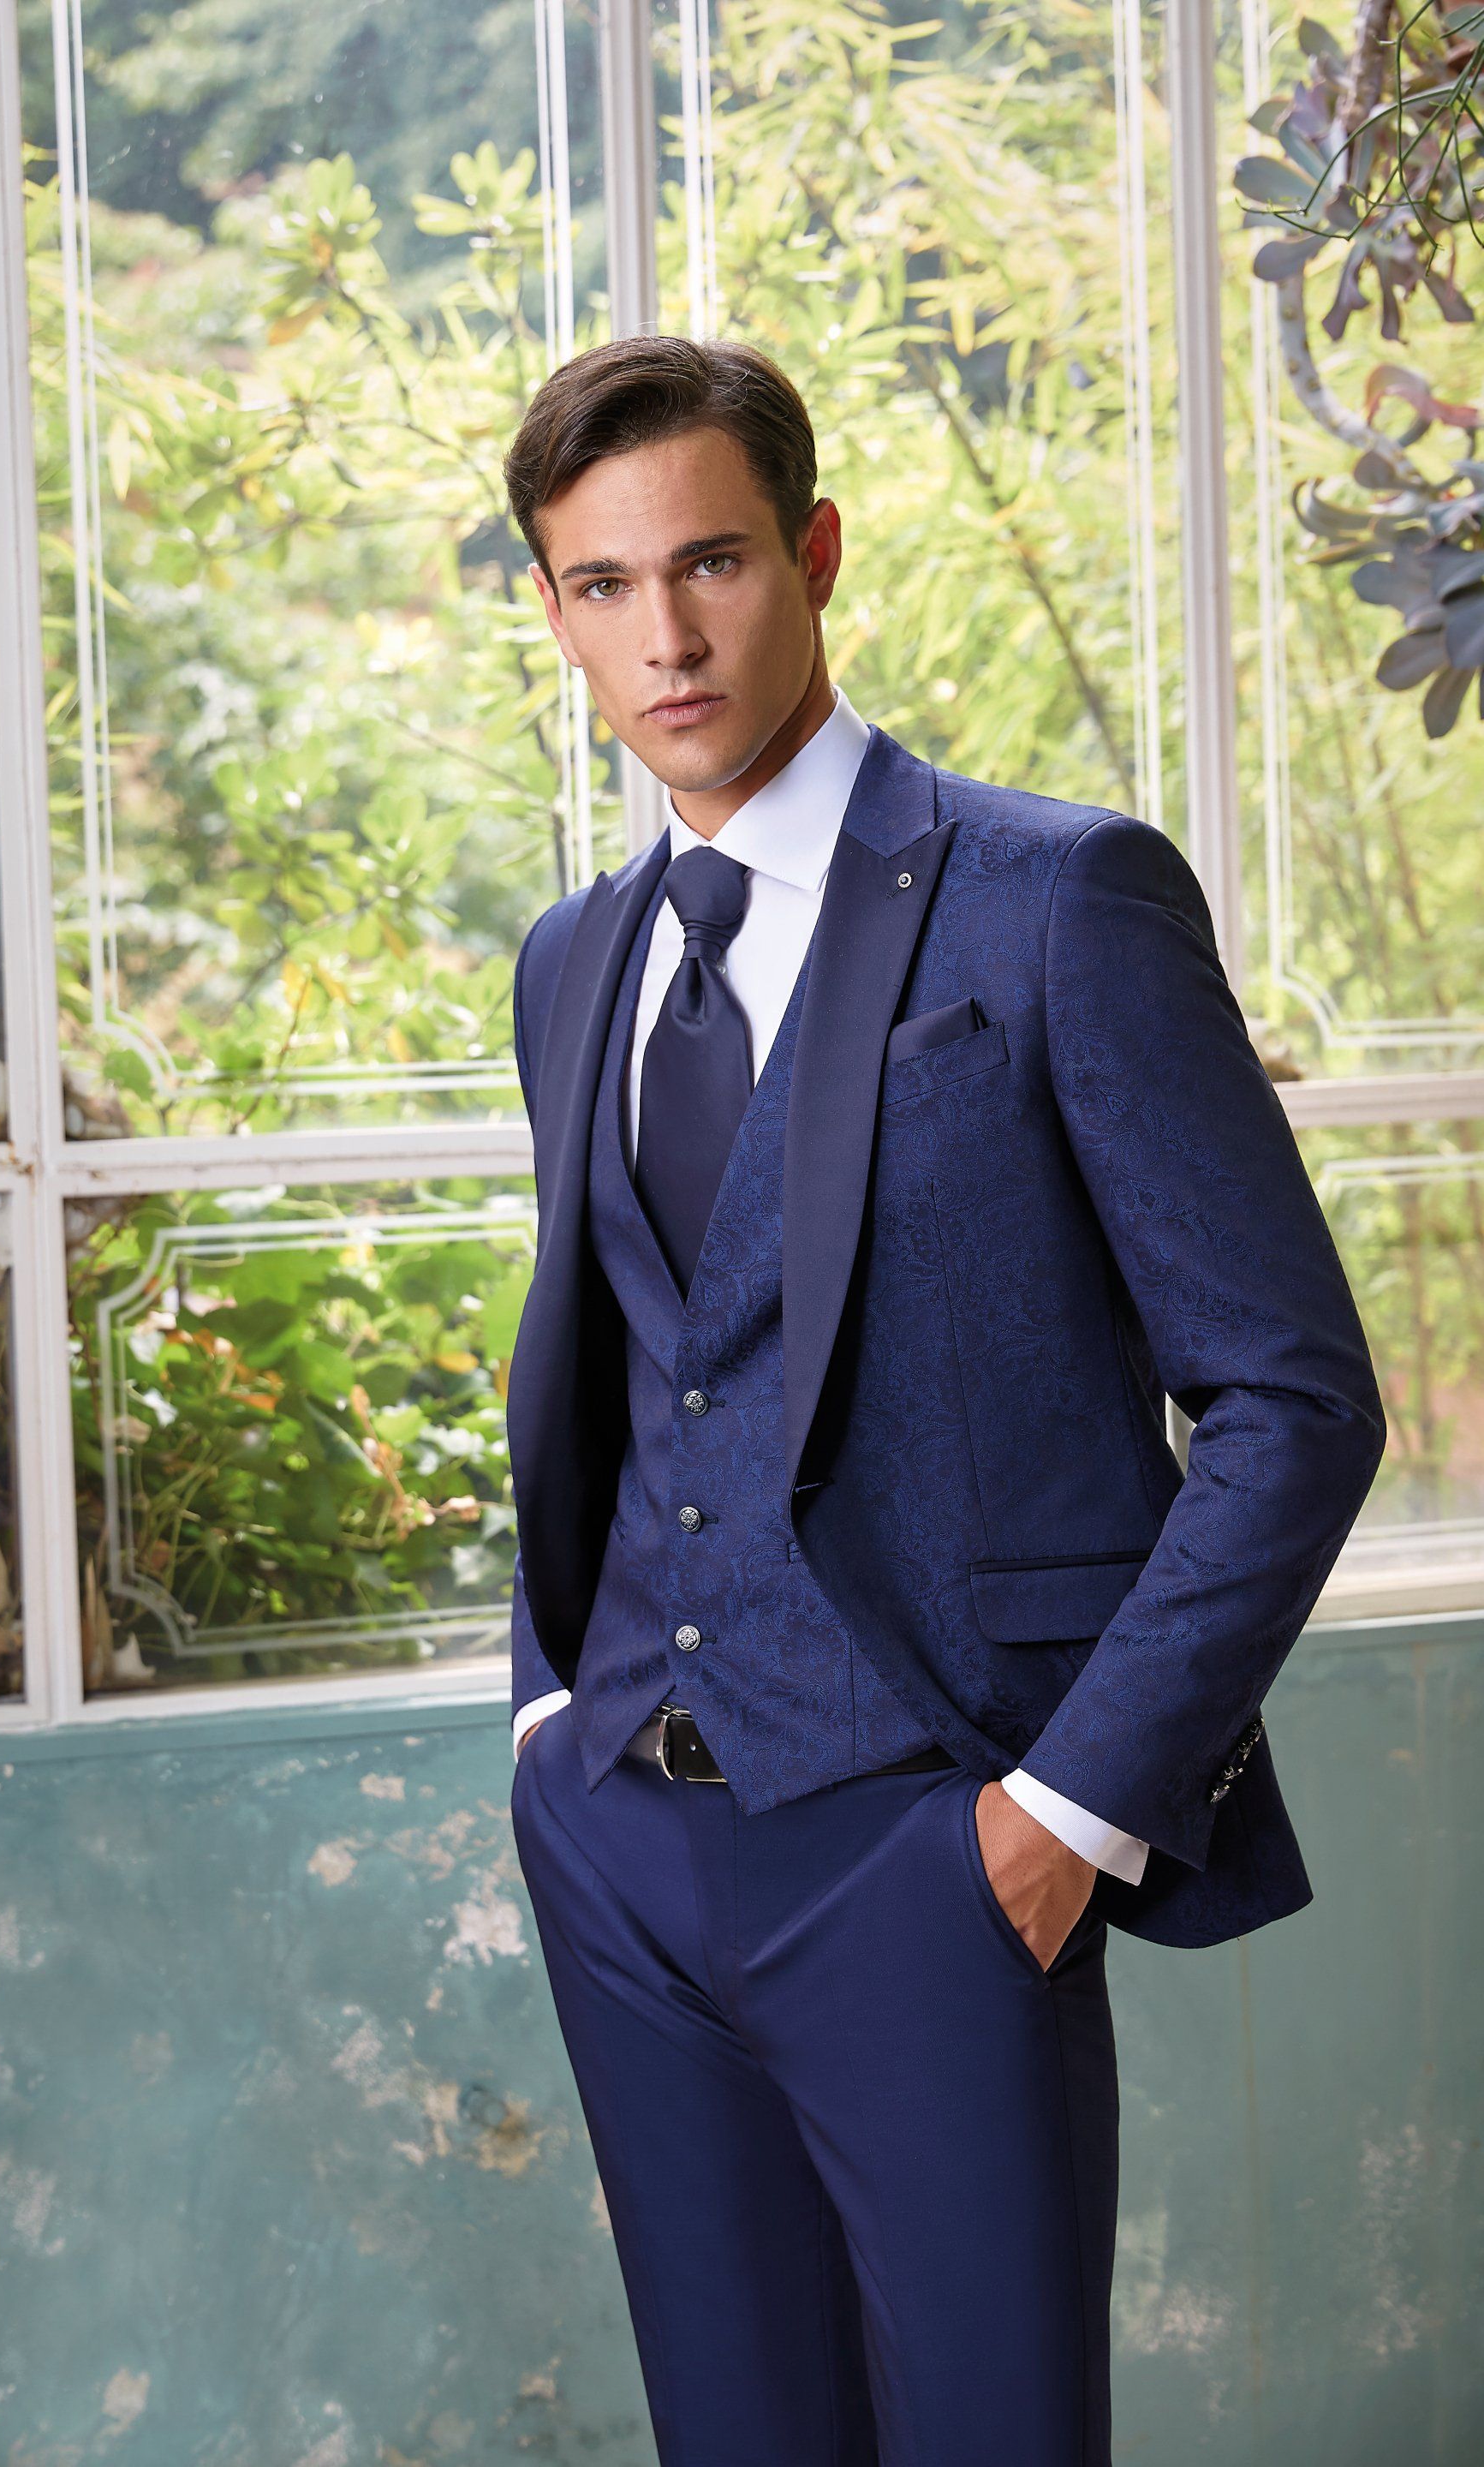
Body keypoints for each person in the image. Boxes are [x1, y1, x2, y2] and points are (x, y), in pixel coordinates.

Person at [498, 333, 1383, 2467]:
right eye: (605, 585)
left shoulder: (1059, 895)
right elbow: (620, 1366)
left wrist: (1065, 1818)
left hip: (932, 1844)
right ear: (553, 611)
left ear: (813, 554)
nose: (666, 636)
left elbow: (1291, 1394)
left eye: (712, 563)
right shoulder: (572, 959)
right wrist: (544, 1724)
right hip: (624, 1844)